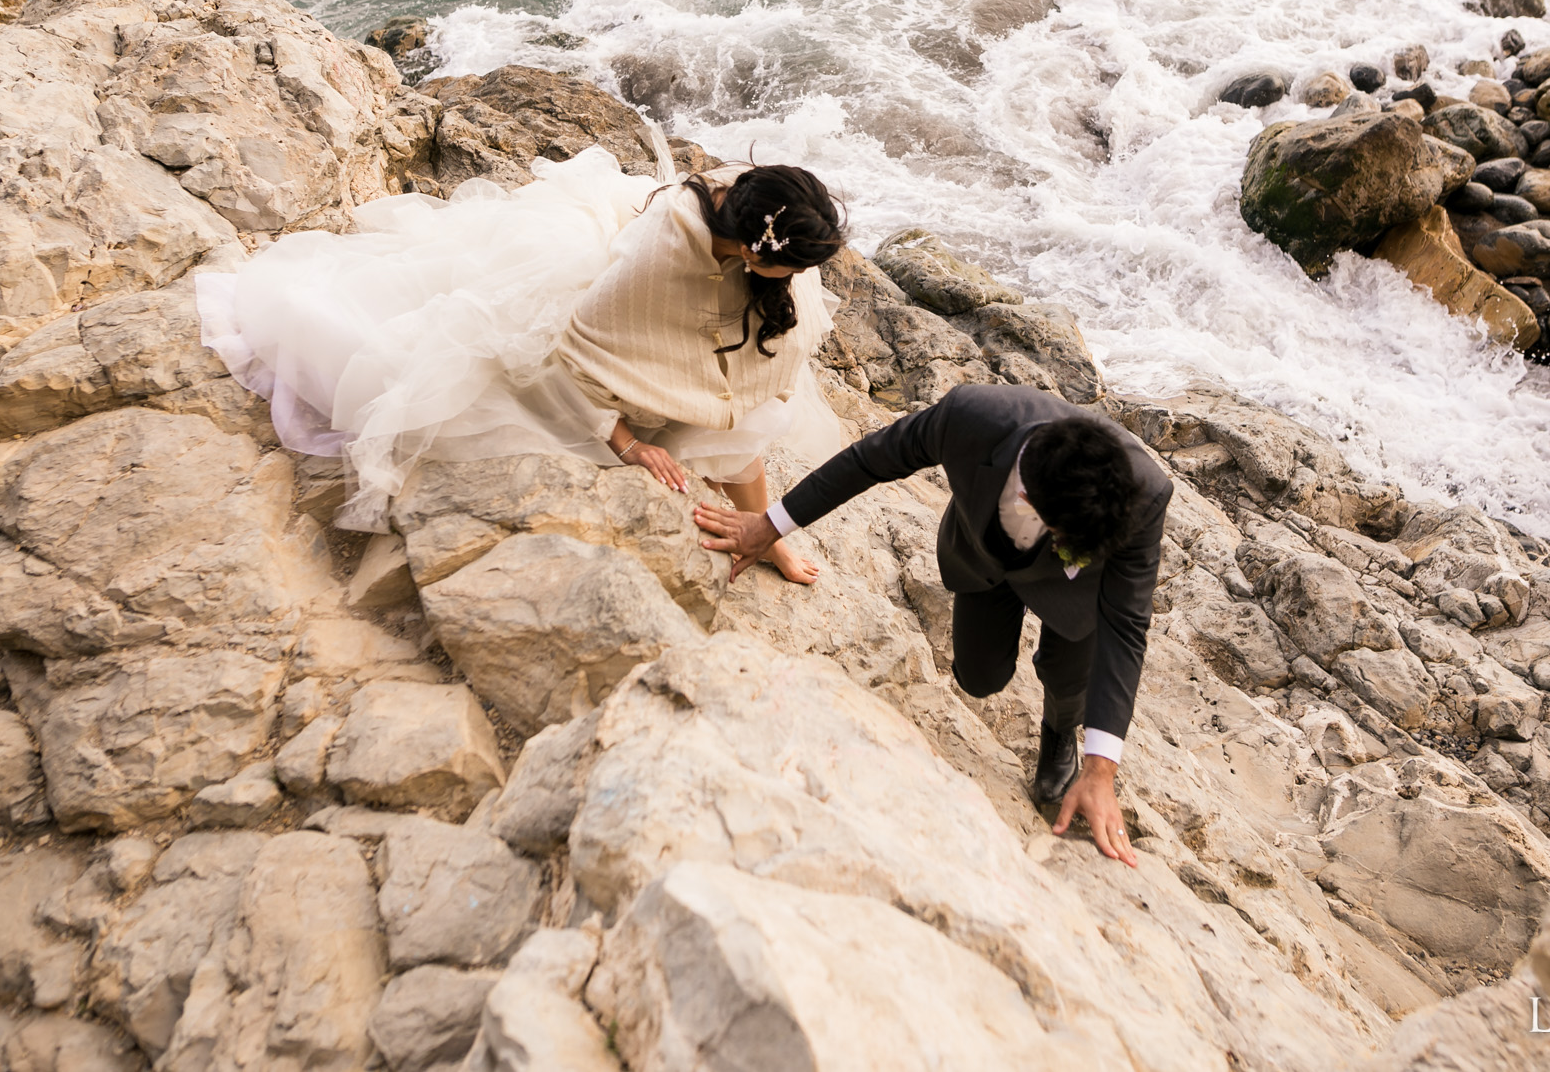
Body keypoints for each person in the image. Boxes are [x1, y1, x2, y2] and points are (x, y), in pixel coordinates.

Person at [197, 132, 848, 583]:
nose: (803, 281)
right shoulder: (657, 261)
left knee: (741, 409)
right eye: (795, 267)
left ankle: (770, 533)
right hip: (583, 292)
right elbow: (571, 350)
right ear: (757, 254)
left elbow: (761, 373)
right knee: (454, 375)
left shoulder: (766, 221)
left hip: (700, 266)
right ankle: (755, 516)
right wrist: (624, 443)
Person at [693, 383, 1172, 865]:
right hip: (984, 557)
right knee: (980, 678)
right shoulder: (971, 417)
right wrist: (768, 525)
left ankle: (1058, 733)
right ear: (1027, 487)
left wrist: (1101, 767)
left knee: (1068, 676)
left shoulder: (1145, 493)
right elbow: (867, 460)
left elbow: (1126, 624)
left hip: (1076, 595)